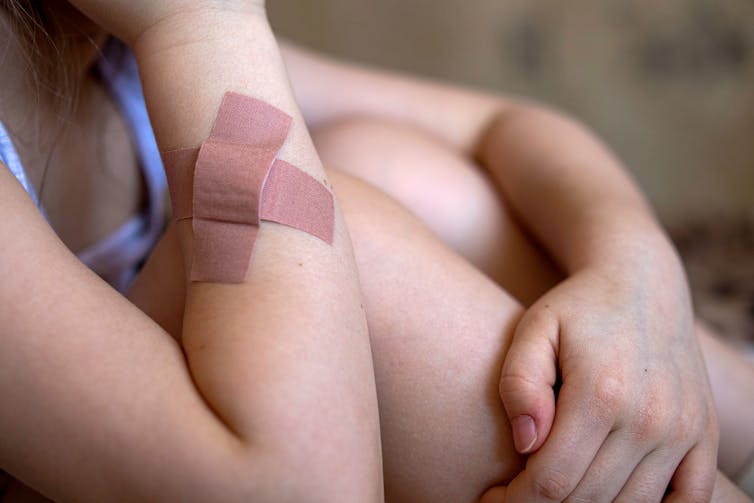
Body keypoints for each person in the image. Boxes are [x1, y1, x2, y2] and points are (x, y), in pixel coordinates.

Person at [0, 1, 751, 502]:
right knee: (348, 239)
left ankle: (713, 410)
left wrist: (637, 275)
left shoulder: (103, 44)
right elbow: (305, 487)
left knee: (382, 161)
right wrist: (202, 26)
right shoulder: (178, 27)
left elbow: (501, 127)